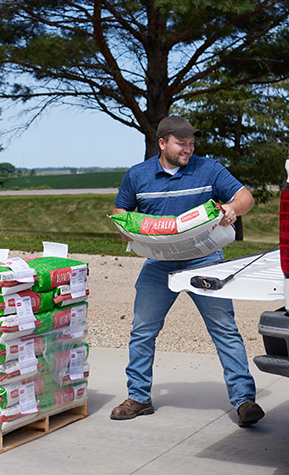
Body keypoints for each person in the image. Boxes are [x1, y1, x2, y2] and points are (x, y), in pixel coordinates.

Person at [110, 115, 265, 427]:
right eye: (182, 143)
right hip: (158, 263)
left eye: (192, 143)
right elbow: (120, 212)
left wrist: (234, 209)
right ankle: (139, 397)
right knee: (142, 330)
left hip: (204, 259)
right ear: (163, 143)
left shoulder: (209, 169)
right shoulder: (137, 175)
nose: (188, 149)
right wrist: (126, 228)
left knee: (224, 329)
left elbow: (244, 196)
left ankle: (244, 400)